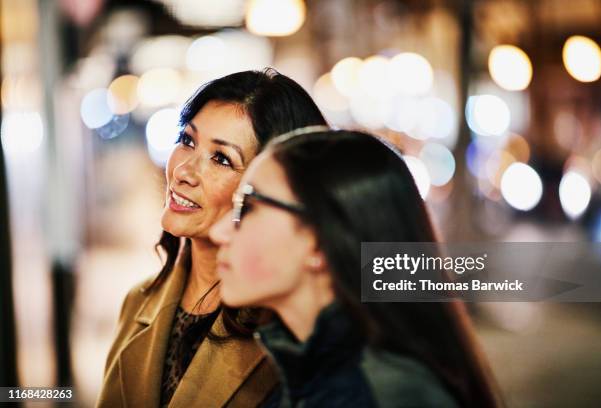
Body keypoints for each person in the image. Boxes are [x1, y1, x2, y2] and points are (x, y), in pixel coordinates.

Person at [210, 129, 503, 407]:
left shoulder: (387, 396)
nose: (219, 232)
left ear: (319, 242)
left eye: (246, 208)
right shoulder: (303, 372)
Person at [96, 69, 328, 408]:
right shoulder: (138, 302)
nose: (183, 171)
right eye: (187, 140)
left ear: (271, 187)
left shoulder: (289, 331)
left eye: (221, 159)